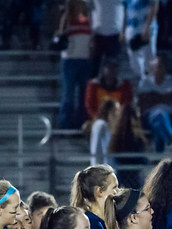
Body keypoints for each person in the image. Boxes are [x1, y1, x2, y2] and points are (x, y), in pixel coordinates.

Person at [70, 163, 119, 229]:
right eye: (114, 187)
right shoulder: (92, 226)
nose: (118, 192)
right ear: (100, 191)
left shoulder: (99, 222)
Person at [56, 0, 93, 130]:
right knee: (68, 94)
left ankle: (81, 124)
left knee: (84, 95)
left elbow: (92, 38)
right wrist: (65, 18)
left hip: (85, 60)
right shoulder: (68, 19)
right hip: (70, 60)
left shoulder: (89, 20)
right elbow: (60, 35)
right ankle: (65, 124)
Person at [137, 56, 172, 154]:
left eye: (161, 67)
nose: (158, 69)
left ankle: (158, 155)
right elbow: (143, 102)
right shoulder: (144, 83)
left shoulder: (171, 83)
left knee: (159, 119)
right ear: (151, 68)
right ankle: (170, 137)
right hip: (148, 117)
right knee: (159, 115)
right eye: (156, 67)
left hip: (169, 116)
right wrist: (163, 97)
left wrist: (153, 96)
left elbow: (171, 100)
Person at [109, 103, 148, 189]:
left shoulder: (117, 136)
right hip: (131, 176)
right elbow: (141, 159)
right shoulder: (132, 138)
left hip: (124, 176)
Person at [125, 0, 159, 81]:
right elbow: (126, 9)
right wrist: (123, 30)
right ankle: (141, 81)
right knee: (133, 58)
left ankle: (151, 82)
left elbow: (154, 5)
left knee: (149, 58)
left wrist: (147, 27)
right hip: (132, 26)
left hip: (146, 26)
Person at [88, 0, 123, 75]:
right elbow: (87, 9)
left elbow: (126, 8)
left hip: (115, 34)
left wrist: (123, 31)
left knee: (112, 70)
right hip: (97, 34)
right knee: (93, 69)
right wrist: (90, 33)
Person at [90, 99, 119, 167]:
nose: (118, 113)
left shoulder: (105, 125)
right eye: (117, 110)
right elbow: (97, 149)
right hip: (101, 169)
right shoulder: (101, 125)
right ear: (110, 111)